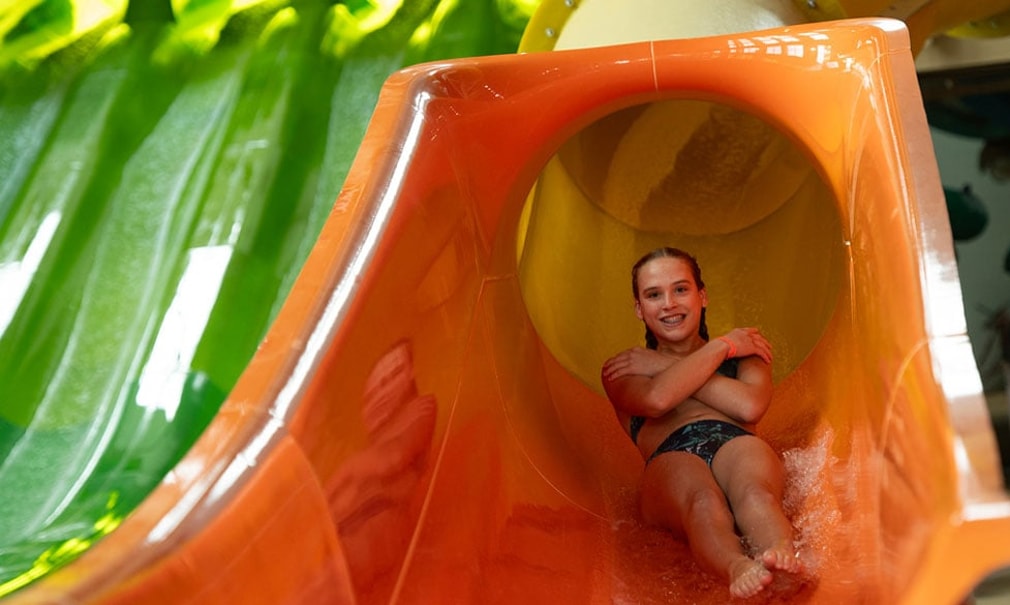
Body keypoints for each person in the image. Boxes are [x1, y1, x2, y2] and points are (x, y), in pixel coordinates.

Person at [601, 247, 802, 599]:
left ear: (702, 296)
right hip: (671, 454)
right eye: (653, 294)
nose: (669, 304)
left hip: (735, 441)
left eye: (681, 289)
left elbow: (749, 406)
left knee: (755, 493)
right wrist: (723, 346)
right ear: (639, 309)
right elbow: (656, 400)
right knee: (702, 502)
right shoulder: (625, 367)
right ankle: (738, 567)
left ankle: (781, 557)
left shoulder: (747, 352)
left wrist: (669, 362)